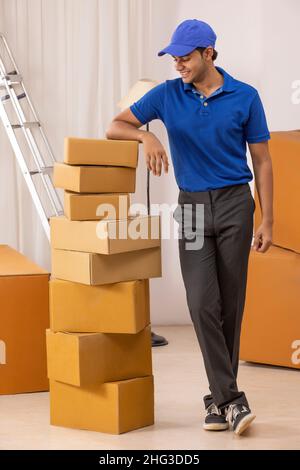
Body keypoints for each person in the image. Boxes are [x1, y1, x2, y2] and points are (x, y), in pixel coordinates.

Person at [106, 18, 273, 436]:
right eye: (174, 56)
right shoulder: (165, 95)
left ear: (208, 54)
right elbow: (116, 126)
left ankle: (218, 402)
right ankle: (231, 400)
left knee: (230, 306)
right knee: (201, 302)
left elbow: (263, 161)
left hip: (236, 204)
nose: (177, 63)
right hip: (193, 210)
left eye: (185, 56)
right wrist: (148, 138)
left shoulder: (245, 97)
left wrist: (268, 218)